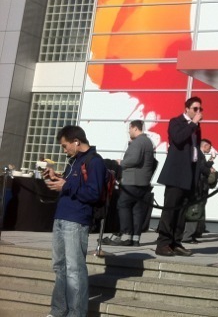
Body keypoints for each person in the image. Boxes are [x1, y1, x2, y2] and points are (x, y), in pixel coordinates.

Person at [44, 125, 107, 317]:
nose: (64, 150)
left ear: (76, 141)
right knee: (60, 267)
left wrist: (65, 186)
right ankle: (58, 311)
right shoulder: (74, 162)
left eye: (65, 146)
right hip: (62, 217)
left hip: (77, 220)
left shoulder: (95, 162)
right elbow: (73, 185)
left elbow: (94, 193)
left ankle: (76, 313)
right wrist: (58, 178)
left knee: (74, 269)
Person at [155, 96, 203, 257]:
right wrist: (193, 123)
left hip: (189, 175)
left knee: (182, 212)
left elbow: (195, 151)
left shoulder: (195, 127)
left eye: (200, 109)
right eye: (195, 109)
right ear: (187, 109)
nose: (198, 112)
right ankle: (163, 243)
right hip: (176, 175)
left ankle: (176, 242)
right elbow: (178, 139)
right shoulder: (176, 122)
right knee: (170, 210)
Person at [113, 120, 156, 247]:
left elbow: (134, 159)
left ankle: (126, 235)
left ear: (135, 128)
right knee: (137, 210)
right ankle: (135, 238)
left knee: (123, 205)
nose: (129, 131)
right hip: (143, 182)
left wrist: (121, 162)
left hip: (132, 181)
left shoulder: (138, 142)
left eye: (130, 129)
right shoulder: (148, 142)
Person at [183, 139, 218, 244]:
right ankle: (188, 236)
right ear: (205, 145)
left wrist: (211, 159)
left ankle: (192, 234)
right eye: (209, 147)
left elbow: (203, 167)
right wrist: (210, 170)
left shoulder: (200, 154)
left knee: (197, 211)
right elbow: (201, 168)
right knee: (194, 211)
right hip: (198, 188)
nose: (210, 149)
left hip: (200, 188)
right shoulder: (198, 154)